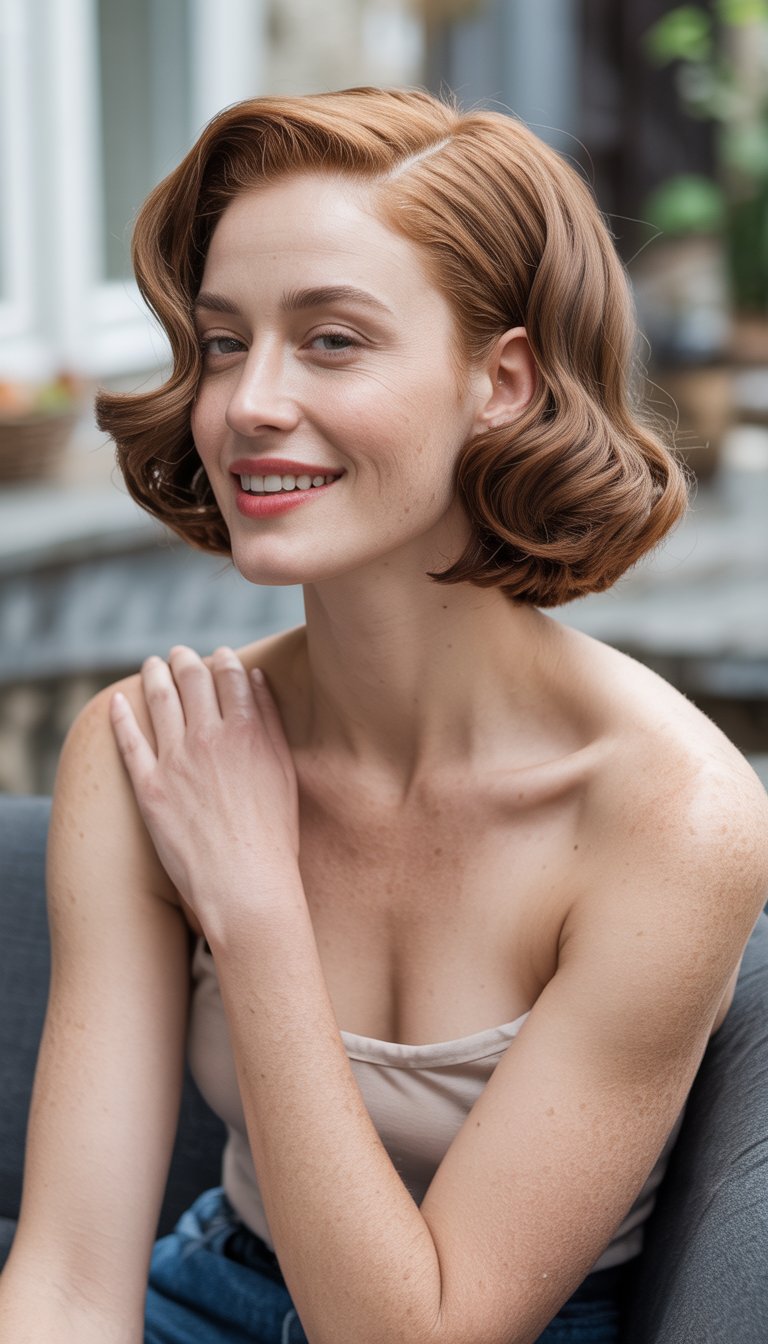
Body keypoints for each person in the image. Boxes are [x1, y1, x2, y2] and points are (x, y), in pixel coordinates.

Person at [1, 87, 766, 1344]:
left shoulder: (670, 817)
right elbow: (72, 1282)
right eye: (227, 340)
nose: (248, 402)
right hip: (209, 1298)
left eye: (334, 341)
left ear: (502, 382)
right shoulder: (146, 752)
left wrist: (251, 899)